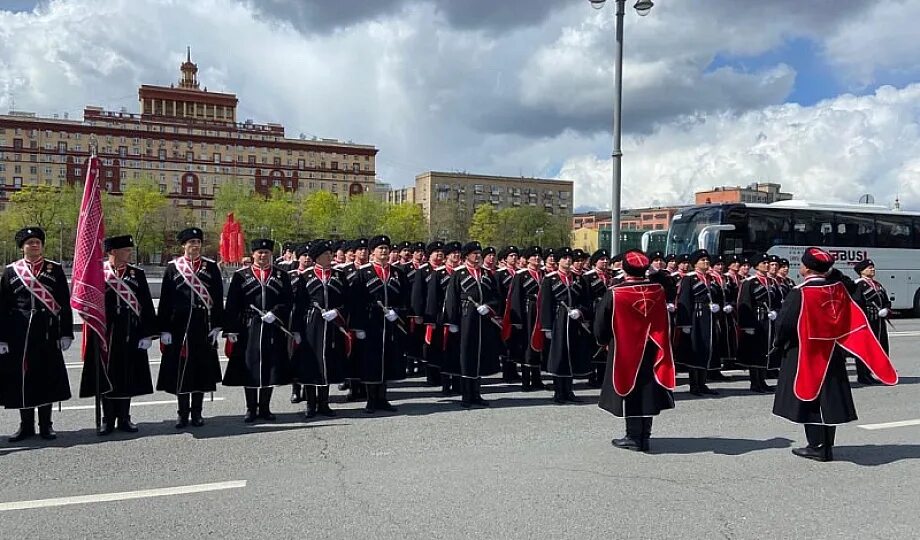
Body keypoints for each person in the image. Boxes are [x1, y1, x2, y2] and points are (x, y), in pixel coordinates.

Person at [772, 247, 897, 462]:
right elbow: (853, 293)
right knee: (828, 399)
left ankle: (817, 446)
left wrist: (778, 344)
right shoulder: (838, 289)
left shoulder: (800, 292)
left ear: (806, 268)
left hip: (805, 351)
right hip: (834, 351)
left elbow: (785, 324)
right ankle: (826, 444)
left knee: (808, 398)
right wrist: (833, 273)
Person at [595, 250, 675, 452]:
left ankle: (633, 435)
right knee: (647, 390)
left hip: (625, 347)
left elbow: (601, 323)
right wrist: (654, 271)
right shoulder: (657, 289)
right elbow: (670, 285)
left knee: (630, 389)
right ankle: (645, 435)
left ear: (623, 268)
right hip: (651, 346)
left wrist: (602, 340)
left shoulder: (616, 292)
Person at [0, 227, 73, 442]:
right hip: (19, 334)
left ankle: (46, 425)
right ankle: (26, 425)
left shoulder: (55, 269)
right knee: (23, 379)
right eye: (30, 242)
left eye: (38, 242)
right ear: (22, 247)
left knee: (46, 376)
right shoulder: (11, 271)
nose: (34, 245)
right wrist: (2, 337)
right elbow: (3, 306)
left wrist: (66, 333)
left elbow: (64, 304)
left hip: (47, 332)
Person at [80, 235, 157, 435]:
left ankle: (124, 417)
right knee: (106, 373)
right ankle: (107, 419)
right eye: (125, 250)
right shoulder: (98, 273)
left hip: (130, 331)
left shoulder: (136, 274)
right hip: (105, 331)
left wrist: (148, 333)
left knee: (127, 374)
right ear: (112, 252)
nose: (129, 253)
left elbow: (146, 305)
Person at [157, 228, 224, 428]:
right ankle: (182, 413)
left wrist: (217, 325)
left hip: (202, 326)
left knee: (201, 370)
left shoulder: (211, 267)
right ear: (183, 245)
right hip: (179, 327)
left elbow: (218, 299)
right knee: (181, 371)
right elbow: (165, 300)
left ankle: (197, 412)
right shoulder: (173, 268)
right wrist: (164, 329)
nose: (195, 245)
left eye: (198, 242)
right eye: (191, 242)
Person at [222, 239, 292, 422]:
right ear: (253, 254)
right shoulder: (241, 275)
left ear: (271, 255)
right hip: (248, 327)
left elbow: (288, 301)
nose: (263, 256)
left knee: (270, 366)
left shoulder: (281, 275)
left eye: (266, 253)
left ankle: (265, 408)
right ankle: (251, 408)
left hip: (272, 326)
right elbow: (232, 304)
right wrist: (231, 330)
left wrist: (276, 313)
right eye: (259, 252)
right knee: (250, 367)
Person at [349, 235, 410, 413]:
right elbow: (356, 301)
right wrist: (358, 326)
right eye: (379, 248)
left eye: (386, 248)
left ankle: (383, 398)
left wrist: (397, 312)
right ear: (372, 252)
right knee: (371, 361)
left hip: (390, 323)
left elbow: (405, 298)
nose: (383, 251)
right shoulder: (363, 273)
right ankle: (371, 399)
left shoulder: (398, 273)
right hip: (370, 323)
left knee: (387, 359)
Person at [291, 240, 350, 418]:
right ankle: (311, 404)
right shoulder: (305, 276)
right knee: (311, 364)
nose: (329, 257)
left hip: (332, 323)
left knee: (328, 362)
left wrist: (337, 312)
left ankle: (324, 403)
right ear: (317, 257)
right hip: (312, 324)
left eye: (330, 254)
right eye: (325, 255)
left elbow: (348, 301)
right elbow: (298, 305)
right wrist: (296, 330)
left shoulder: (339, 276)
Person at [444, 241, 503, 407]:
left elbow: (495, 295)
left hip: (483, 320)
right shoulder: (459, 274)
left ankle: (477, 393)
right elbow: (451, 299)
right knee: (466, 355)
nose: (477, 256)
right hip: (465, 319)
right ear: (466, 256)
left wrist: (490, 307)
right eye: (474, 253)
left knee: (480, 354)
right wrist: (452, 322)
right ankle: (466, 395)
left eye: (479, 253)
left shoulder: (486, 274)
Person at [539, 247, 593, 404]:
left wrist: (580, 311)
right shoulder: (550, 279)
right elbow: (546, 304)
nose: (568, 261)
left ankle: (569, 390)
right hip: (558, 320)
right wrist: (547, 327)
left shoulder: (578, 279)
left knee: (572, 355)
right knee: (559, 355)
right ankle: (558, 391)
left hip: (574, 321)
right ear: (558, 261)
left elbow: (585, 301)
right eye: (564, 258)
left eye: (570, 258)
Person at [675, 249, 722, 396]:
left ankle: (703, 382)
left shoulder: (711, 278)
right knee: (696, 349)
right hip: (696, 316)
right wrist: (685, 324)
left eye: (707, 260)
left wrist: (718, 307)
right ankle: (694, 384)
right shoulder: (689, 278)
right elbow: (684, 300)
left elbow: (718, 296)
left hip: (709, 316)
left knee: (707, 349)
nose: (706, 262)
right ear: (695, 263)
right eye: (702, 260)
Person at [737, 253, 780, 393]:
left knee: (766, 349)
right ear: (756, 266)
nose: (767, 265)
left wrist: (776, 312)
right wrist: (747, 325)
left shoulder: (772, 282)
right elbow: (744, 303)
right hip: (756, 318)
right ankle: (755, 382)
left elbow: (778, 300)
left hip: (768, 319)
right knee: (755, 351)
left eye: (767, 262)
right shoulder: (750, 282)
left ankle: (762, 380)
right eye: (763, 263)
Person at [425, 241, 463, 396]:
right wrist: (431, 320)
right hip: (443, 316)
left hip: (460, 315)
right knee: (445, 349)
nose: (456, 255)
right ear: (447, 256)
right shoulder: (438, 273)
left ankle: (459, 383)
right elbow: (432, 298)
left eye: (458, 253)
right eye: (453, 253)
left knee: (458, 349)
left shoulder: (462, 272)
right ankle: (446, 384)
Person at [507, 246, 547, 392]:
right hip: (527, 312)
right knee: (527, 345)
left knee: (539, 343)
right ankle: (525, 380)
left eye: (538, 256)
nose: (537, 258)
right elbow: (516, 297)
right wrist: (516, 319)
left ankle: (537, 379)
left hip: (540, 311)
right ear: (528, 259)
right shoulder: (521, 275)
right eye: (533, 256)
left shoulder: (545, 274)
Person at [852, 259, 891, 385]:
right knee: (866, 349)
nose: (872, 270)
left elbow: (886, 299)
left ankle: (877, 372)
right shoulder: (859, 285)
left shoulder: (877, 285)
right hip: (867, 322)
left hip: (879, 323)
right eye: (869, 268)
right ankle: (863, 375)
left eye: (873, 267)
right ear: (861, 271)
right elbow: (857, 303)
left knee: (880, 347)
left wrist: (886, 308)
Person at [412, 241, 446, 387]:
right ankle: (431, 375)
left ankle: (442, 372)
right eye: (435, 251)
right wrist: (418, 313)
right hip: (428, 312)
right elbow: (418, 293)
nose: (439, 254)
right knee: (429, 344)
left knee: (441, 343)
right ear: (429, 254)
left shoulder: (446, 270)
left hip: (443, 312)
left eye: (441, 252)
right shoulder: (423, 270)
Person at [583, 249, 611, 389]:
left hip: (608, 314)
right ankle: (591, 375)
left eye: (607, 259)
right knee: (593, 345)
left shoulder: (611, 276)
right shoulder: (588, 277)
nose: (605, 262)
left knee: (606, 344)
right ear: (595, 262)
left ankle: (603, 375)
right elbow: (585, 297)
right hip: (595, 313)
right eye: (602, 259)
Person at [495, 246, 521, 383]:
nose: (514, 258)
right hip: (505, 311)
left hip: (516, 311)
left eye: (516, 255)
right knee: (506, 341)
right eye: (511, 255)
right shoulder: (500, 274)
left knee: (515, 341)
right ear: (505, 259)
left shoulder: (520, 273)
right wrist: (498, 314)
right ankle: (507, 371)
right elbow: (498, 294)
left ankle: (514, 369)